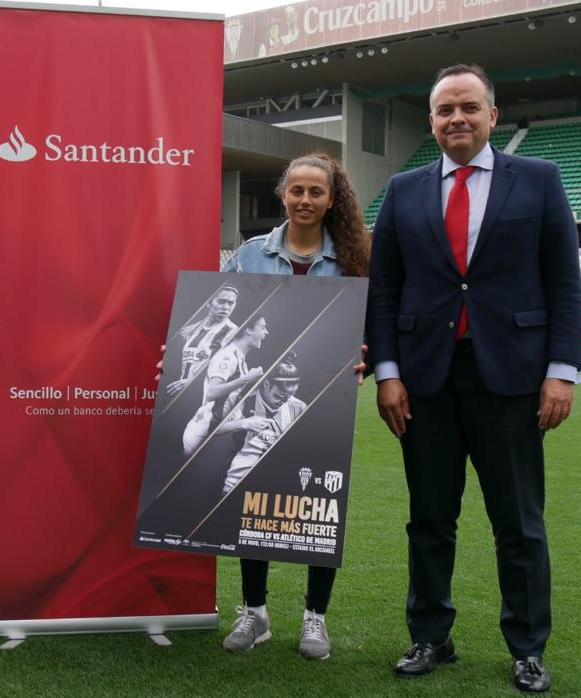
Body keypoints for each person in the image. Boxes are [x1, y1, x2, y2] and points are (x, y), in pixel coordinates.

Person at [366, 64, 581, 693]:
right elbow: (385, 294)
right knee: (429, 519)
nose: (456, 118)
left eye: (469, 107)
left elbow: (564, 287)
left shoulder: (539, 180)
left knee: (518, 522)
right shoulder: (404, 191)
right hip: (424, 382)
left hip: (511, 382)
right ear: (430, 121)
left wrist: (561, 372)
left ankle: (527, 647)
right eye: (443, 110)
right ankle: (431, 635)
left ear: (493, 115)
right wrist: (387, 373)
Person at [218, 152, 371, 661]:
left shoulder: (353, 257)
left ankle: (315, 619)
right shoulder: (249, 255)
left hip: (326, 399)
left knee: (318, 505)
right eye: (296, 190)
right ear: (283, 194)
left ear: (332, 199)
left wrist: (367, 352)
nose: (305, 200)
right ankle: (255, 612)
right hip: (263, 394)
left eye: (316, 192)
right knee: (253, 500)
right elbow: (223, 321)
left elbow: (371, 324)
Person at [217, 353, 306, 496]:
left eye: (289, 396)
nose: (284, 401)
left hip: (272, 481)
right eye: (279, 395)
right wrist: (242, 423)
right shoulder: (242, 399)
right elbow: (211, 431)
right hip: (233, 479)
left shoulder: (298, 407)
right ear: (266, 384)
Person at [180, 315, 267, 456]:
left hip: (215, 432)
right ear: (249, 330)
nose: (266, 332)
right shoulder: (228, 356)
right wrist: (247, 379)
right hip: (202, 433)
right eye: (263, 327)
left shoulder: (240, 359)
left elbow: (230, 399)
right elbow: (211, 393)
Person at [165, 284, 240, 398]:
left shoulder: (232, 331)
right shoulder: (192, 329)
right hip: (179, 390)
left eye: (231, 303)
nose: (226, 307)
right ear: (209, 302)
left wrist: (190, 381)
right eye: (221, 301)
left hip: (202, 394)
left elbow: (223, 368)